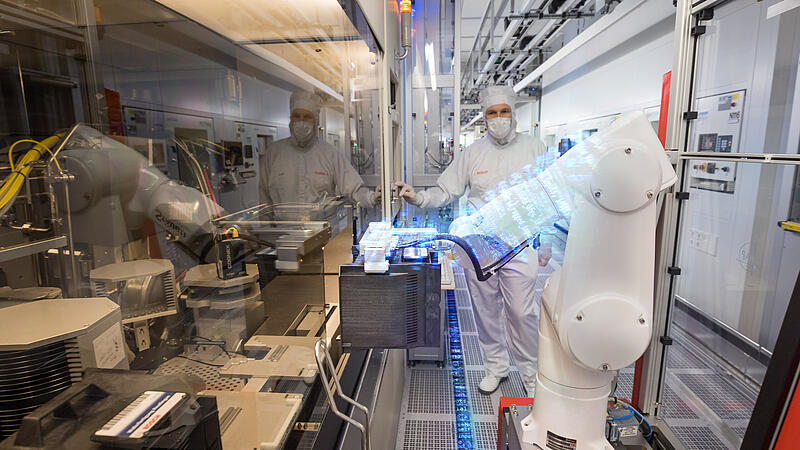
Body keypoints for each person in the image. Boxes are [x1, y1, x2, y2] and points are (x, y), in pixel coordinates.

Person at [394, 85, 551, 396]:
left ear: (513, 113)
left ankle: (531, 373)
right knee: (485, 310)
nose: (498, 118)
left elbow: (549, 197)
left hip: (520, 245)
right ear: (485, 117)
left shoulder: (536, 148)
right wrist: (419, 198)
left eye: (503, 111)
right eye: (492, 113)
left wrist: (544, 242)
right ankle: (496, 368)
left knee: (522, 312)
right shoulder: (472, 153)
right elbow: (446, 190)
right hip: (480, 246)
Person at [259, 91, 380, 208]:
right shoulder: (274, 153)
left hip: (321, 227)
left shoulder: (329, 154)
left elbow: (353, 188)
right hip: (283, 228)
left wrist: (372, 197)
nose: (301, 121)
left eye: (307, 117)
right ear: (291, 119)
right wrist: (265, 227)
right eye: (297, 116)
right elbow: (264, 198)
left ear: (316, 121)